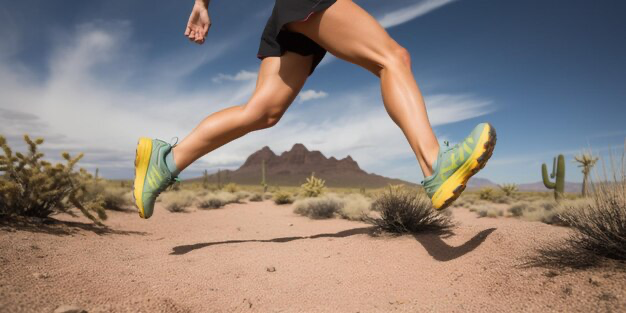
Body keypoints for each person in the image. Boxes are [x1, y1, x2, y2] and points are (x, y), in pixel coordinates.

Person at [133, 0, 497, 219]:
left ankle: (163, 164)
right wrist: (203, 3)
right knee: (392, 57)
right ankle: (436, 164)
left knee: (263, 112)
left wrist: (203, 2)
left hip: (288, 14)